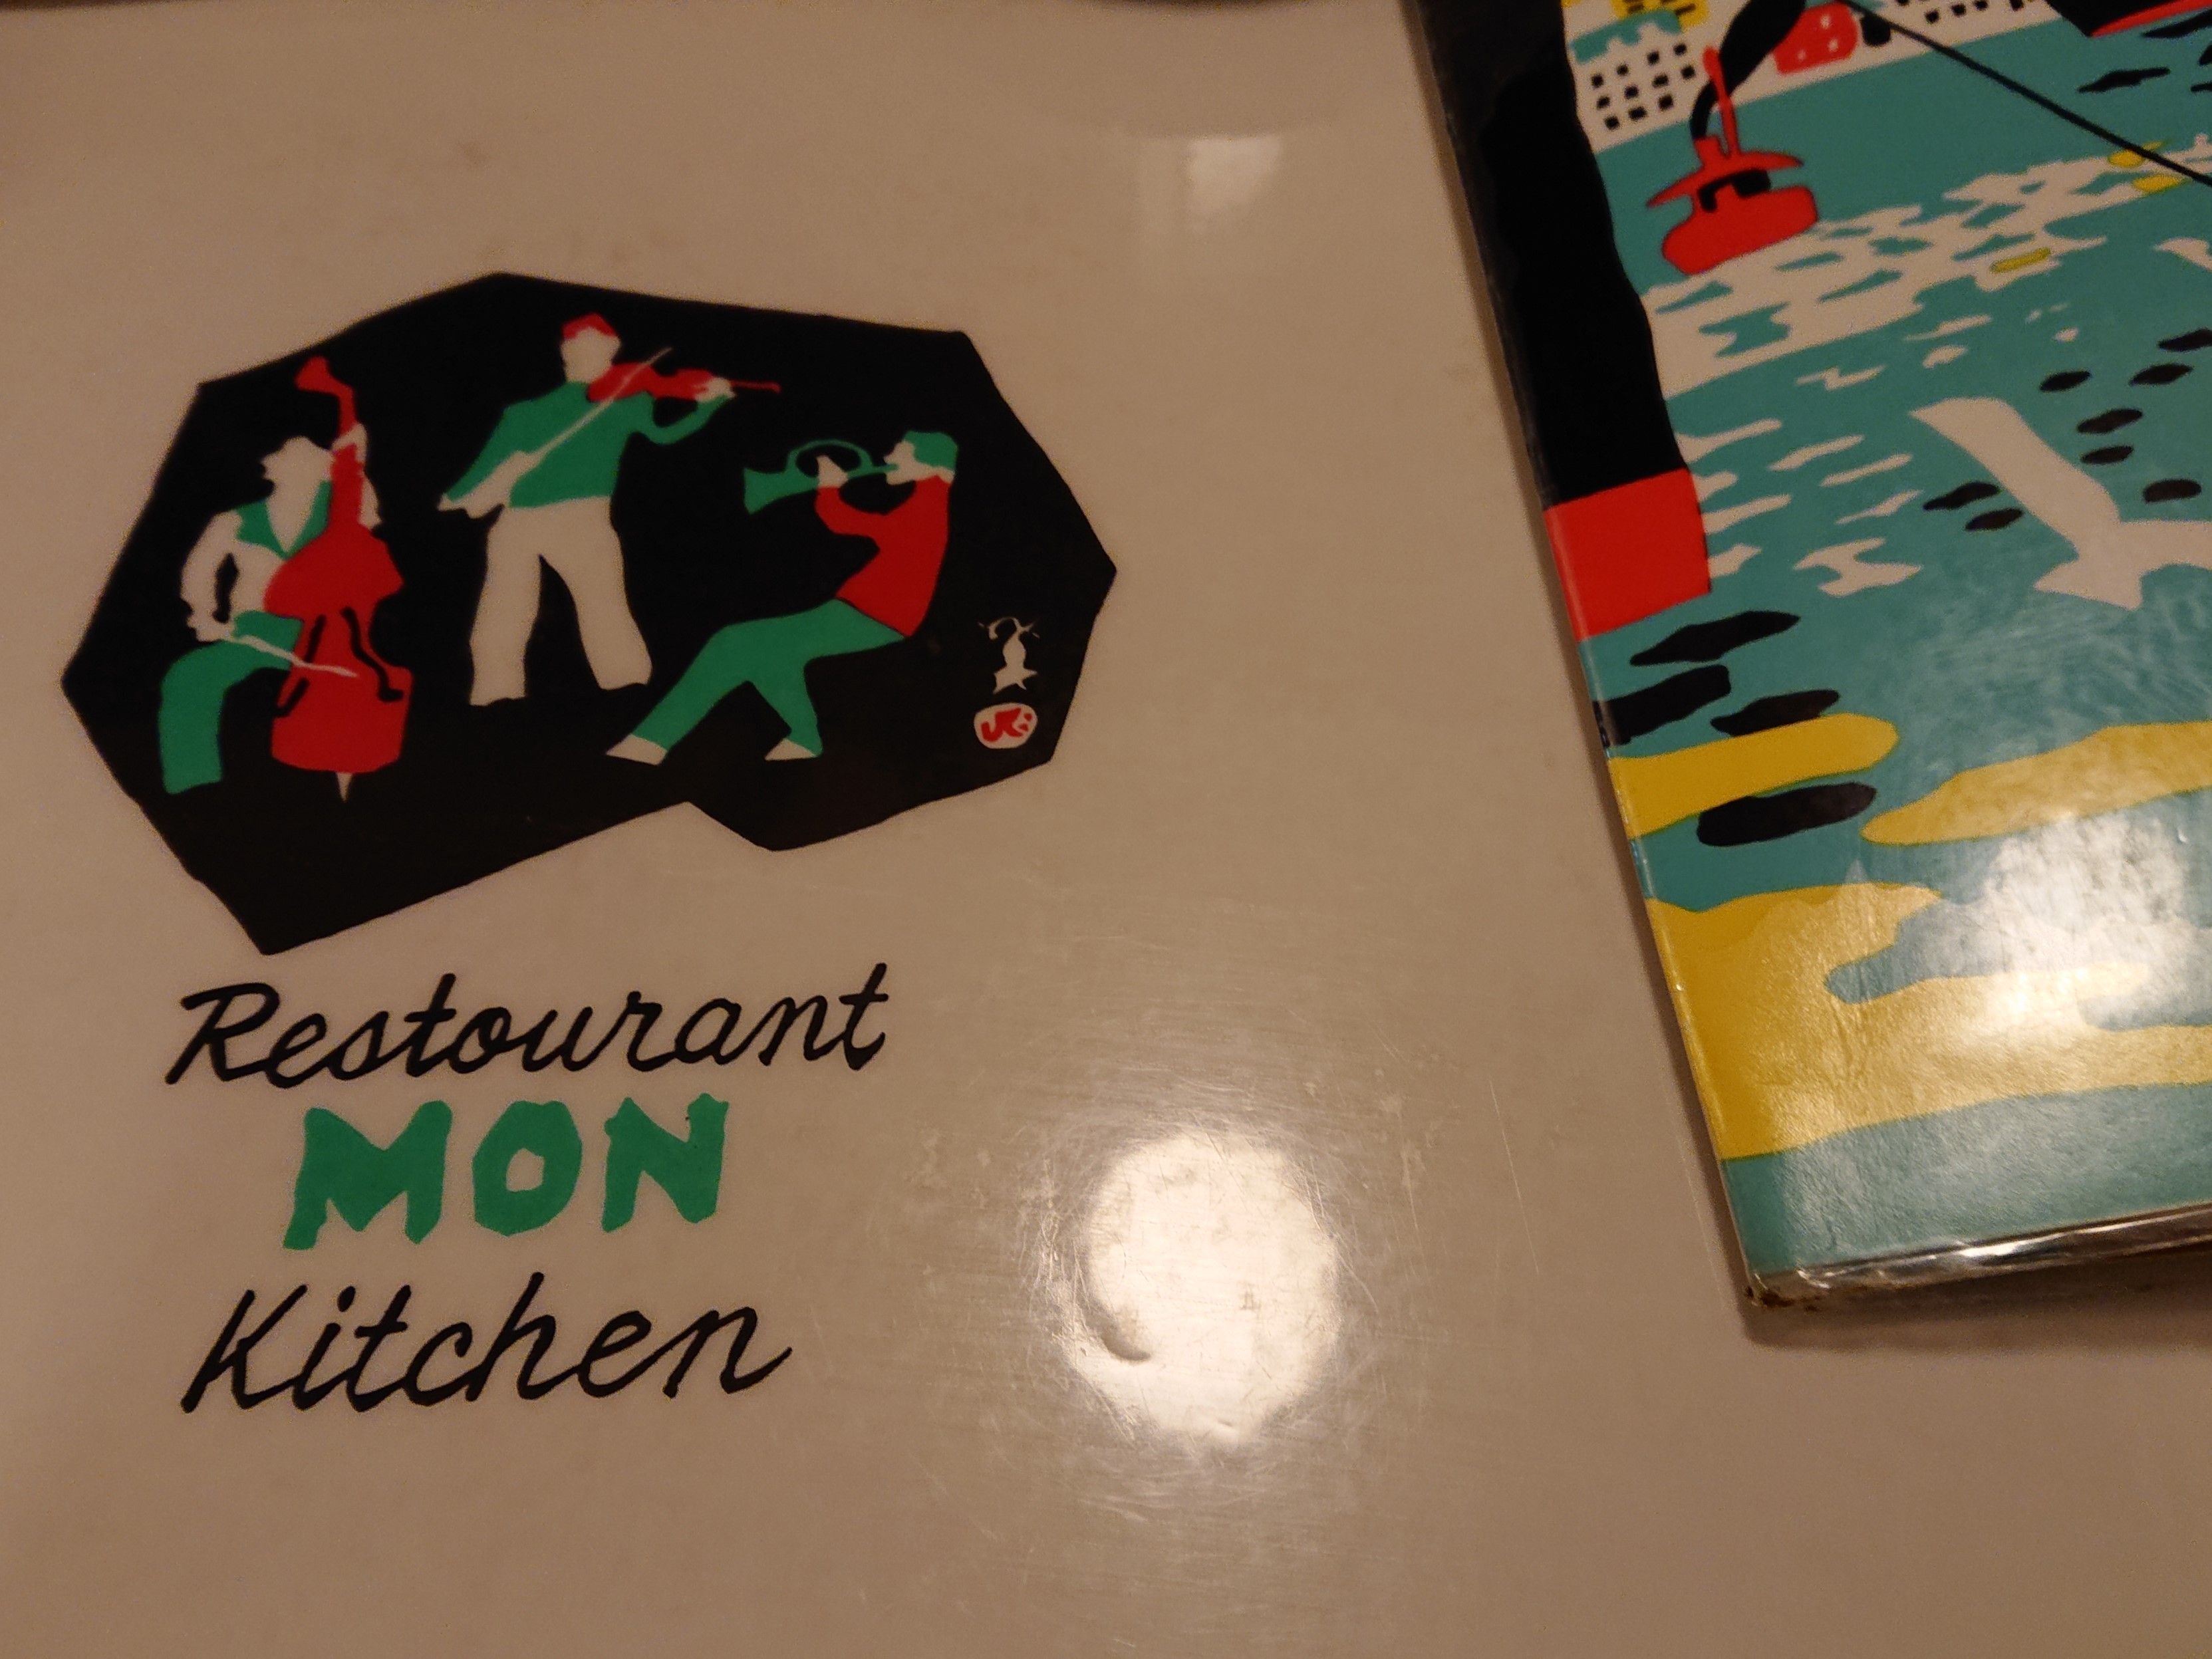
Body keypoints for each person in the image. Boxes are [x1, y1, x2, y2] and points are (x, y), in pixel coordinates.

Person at [608, 432, 957, 765]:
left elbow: (843, 521)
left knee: (734, 642)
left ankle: (651, 741)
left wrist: (830, 487)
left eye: (901, 451)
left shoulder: (926, 506)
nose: (890, 456)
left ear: (927, 462)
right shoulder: (926, 498)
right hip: (868, 611)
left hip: (874, 615)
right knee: (771, 656)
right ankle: (805, 738)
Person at [441, 314, 736, 704]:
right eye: (582, 346)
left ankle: (618, 688)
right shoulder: (535, 410)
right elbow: (488, 462)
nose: (589, 354)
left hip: (566, 519)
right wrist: (711, 404)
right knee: (529, 607)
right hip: (539, 520)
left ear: (611, 352)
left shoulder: (616, 401)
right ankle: (507, 693)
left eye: (598, 347)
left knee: (575, 605)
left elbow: (663, 435)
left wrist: (455, 498)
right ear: (567, 353)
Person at [159, 431, 341, 793]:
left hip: (321, 636)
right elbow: (199, 570)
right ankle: (194, 785)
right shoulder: (234, 521)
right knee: (188, 678)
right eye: (293, 463)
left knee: (342, 692)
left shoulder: (339, 517)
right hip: (250, 633)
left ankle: (327, 787)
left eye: (313, 466)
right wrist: (205, 613)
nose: (304, 473)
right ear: (273, 470)